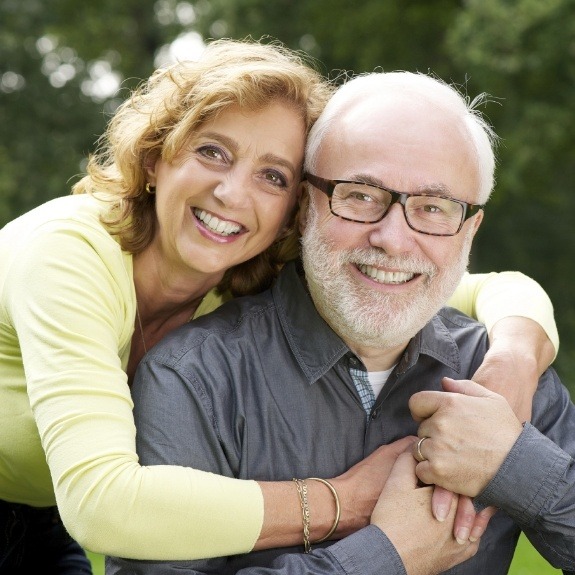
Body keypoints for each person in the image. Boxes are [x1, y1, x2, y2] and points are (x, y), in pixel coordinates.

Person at [0, 35, 557, 574]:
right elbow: (103, 505)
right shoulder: (66, 252)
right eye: (212, 152)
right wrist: (343, 501)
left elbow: (474, 285)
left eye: (272, 175)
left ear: (295, 206)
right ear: (155, 157)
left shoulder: (241, 260)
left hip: (40, 514)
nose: (234, 194)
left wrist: (513, 362)